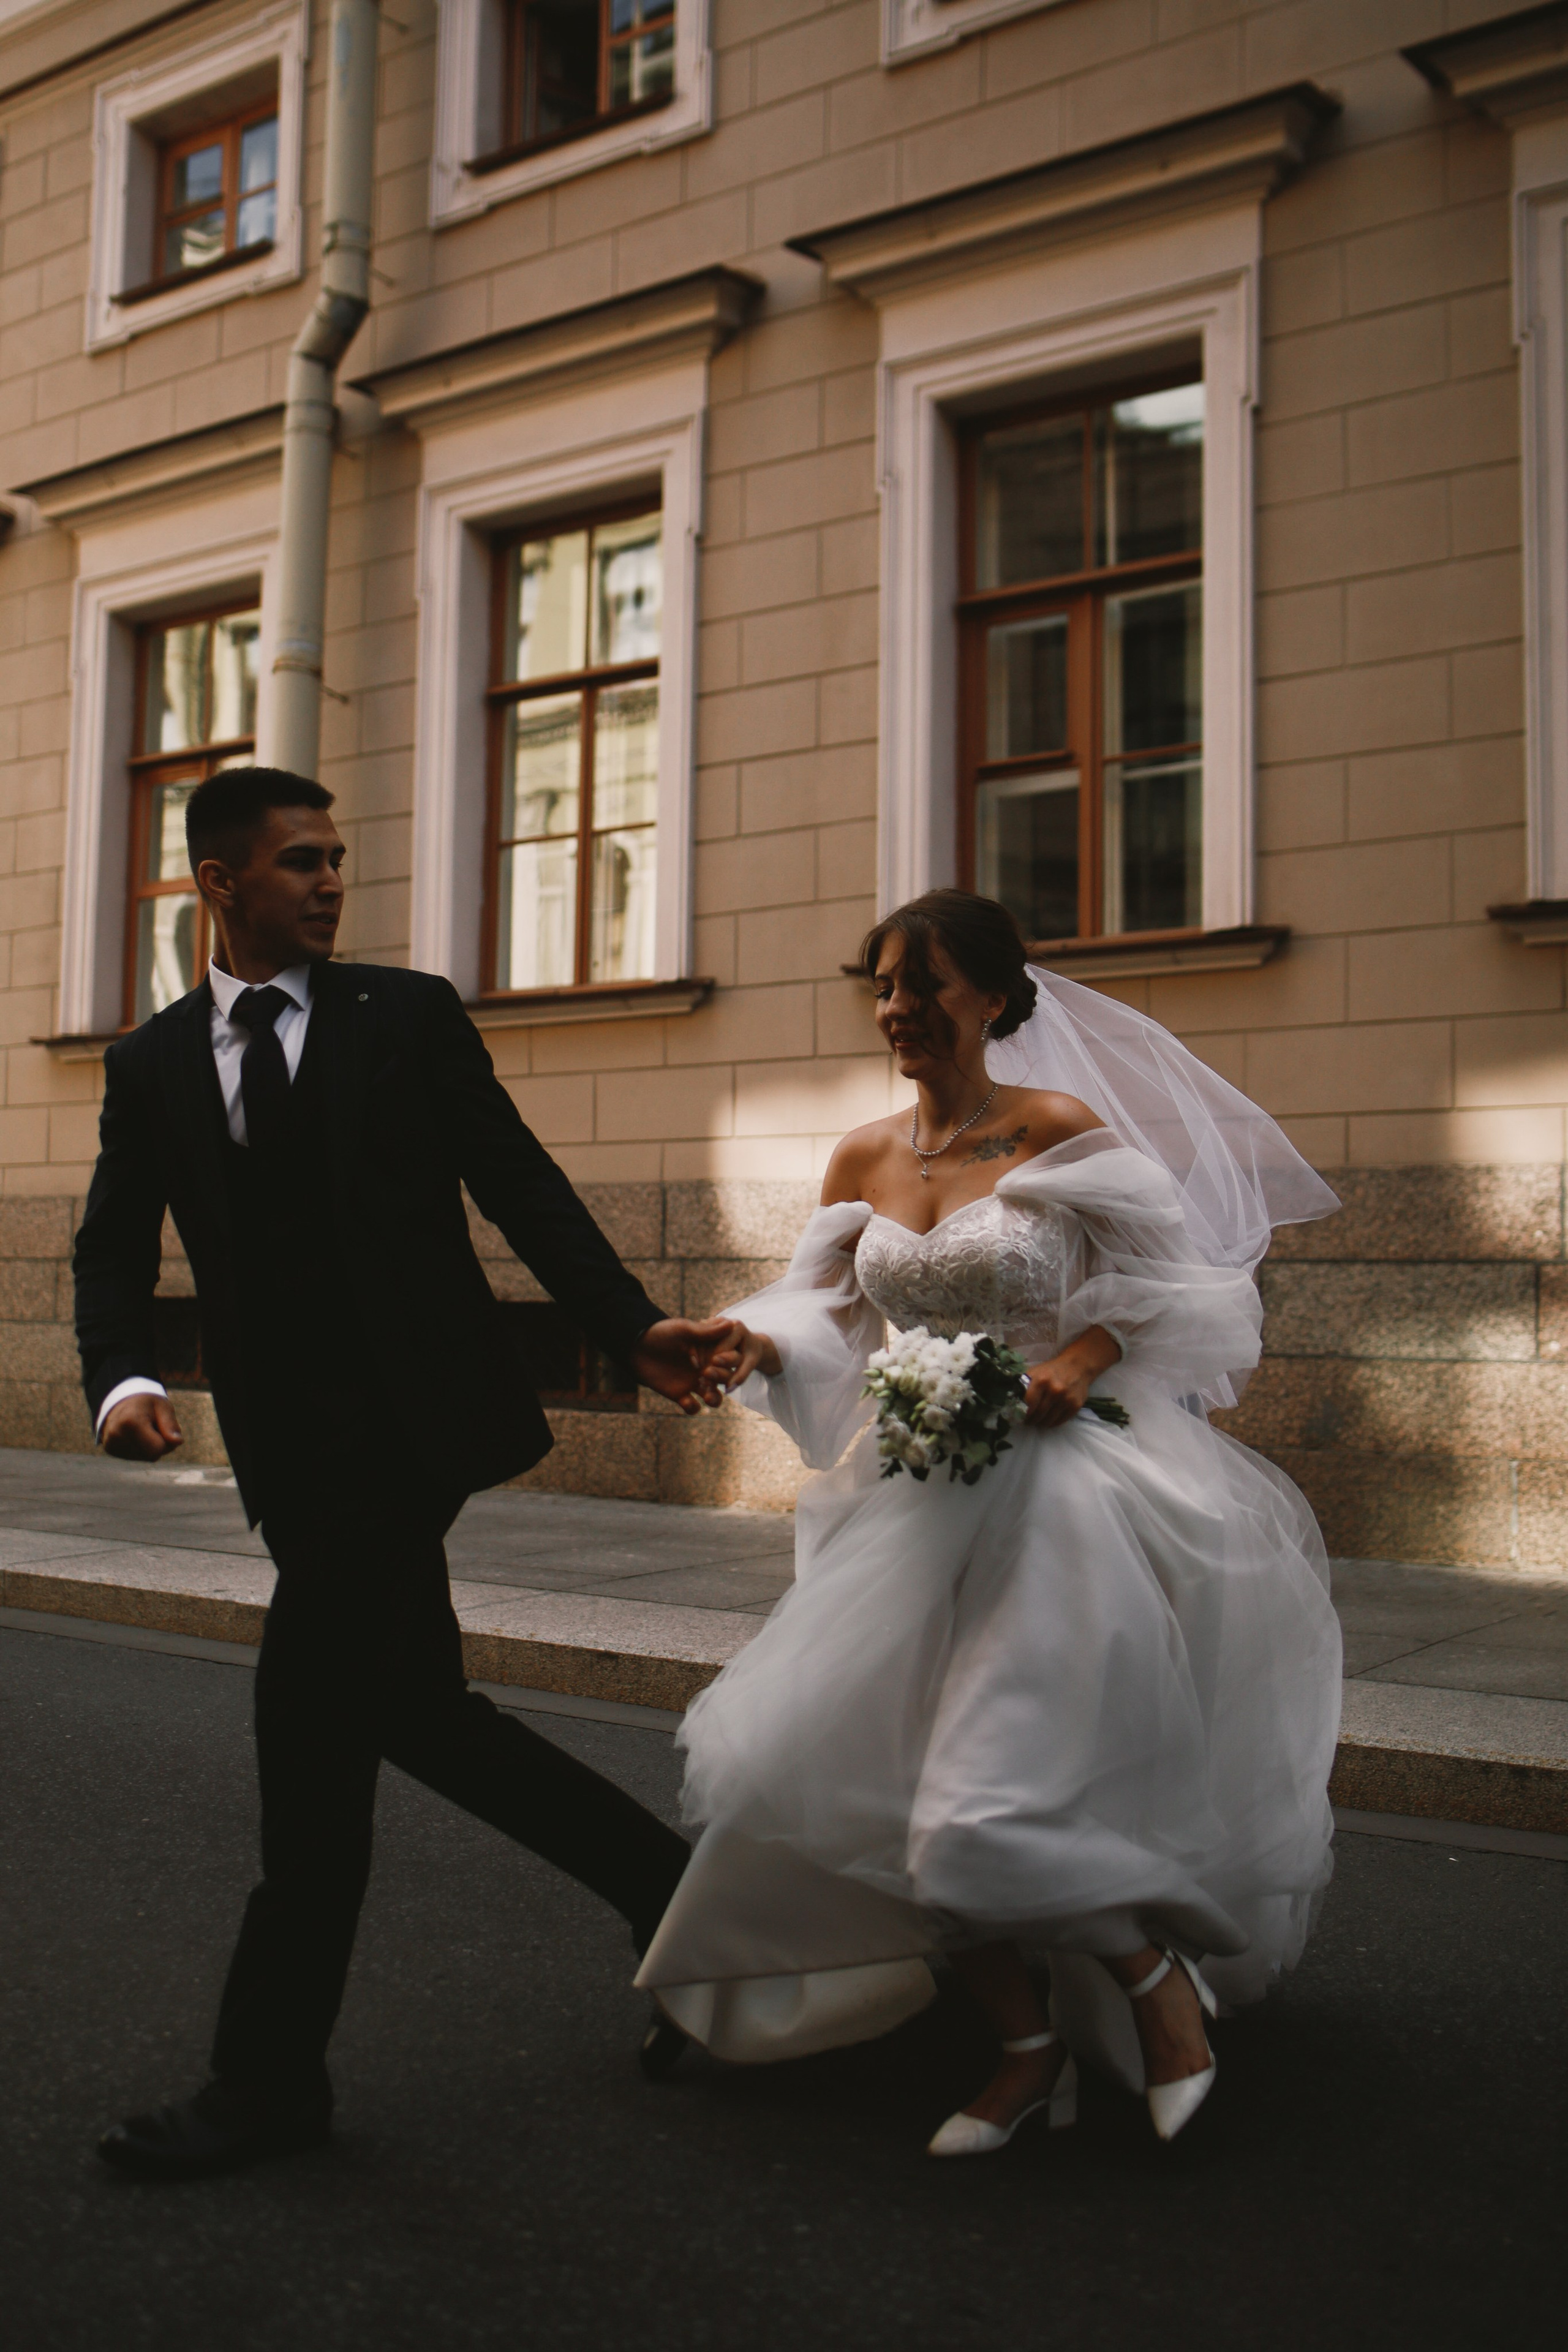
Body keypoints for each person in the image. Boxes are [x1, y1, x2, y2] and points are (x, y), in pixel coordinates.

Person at [75, 766, 728, 2180]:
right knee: (421, 1716)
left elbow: (519, 1180)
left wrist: (630, 1328)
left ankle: (263, 2086)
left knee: (305, 1747)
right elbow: (114, 1247)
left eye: (336, 859)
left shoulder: (406, 1015)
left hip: (411, 1430)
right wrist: (123, 1376)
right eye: (300, 862)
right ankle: (685, 1912)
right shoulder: (152, 1063)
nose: (329, 882)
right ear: (220, 884)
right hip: (288, 1453)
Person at [635, 889, 1343, 2155]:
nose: (899, 1010)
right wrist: (746, 1341)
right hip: (913, 1500)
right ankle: (1021, 2050)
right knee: (885, 1772)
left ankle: (1147, 1982)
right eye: (883, 988)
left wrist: (1076, 1358)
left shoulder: (1053, 1129)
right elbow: (824, 1314)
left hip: (1064, 1493)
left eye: (927, 987)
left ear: (995, 1000)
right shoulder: (860, 1157)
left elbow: (1175, 1281)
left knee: (991, 1792)